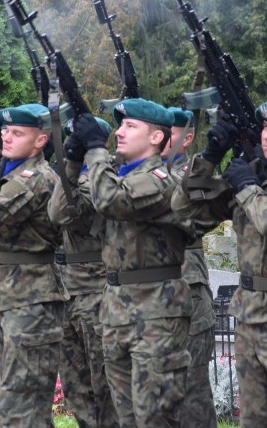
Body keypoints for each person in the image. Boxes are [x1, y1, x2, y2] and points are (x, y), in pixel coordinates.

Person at [69, 99, 193, 428]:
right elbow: (62, 214)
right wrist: (70, 160)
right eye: (119, 126)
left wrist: (95, 148)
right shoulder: (114, 174)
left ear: (156, 138)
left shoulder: (160, 178)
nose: (119, 133)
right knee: (123, 416)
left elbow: (111, 201)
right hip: (117, 307)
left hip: (156, 310)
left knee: (154, 417)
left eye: (130, 126)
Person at [172, 94, 267, 427]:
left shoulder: (254, 181)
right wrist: (211, 155)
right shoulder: (255, 171)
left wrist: (249, 187)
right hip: (250, 315)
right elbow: (185, 210)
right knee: (254, 418)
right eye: (265, 127)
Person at [0, 104, 65, 427]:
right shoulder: (7, 174)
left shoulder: (38, 178)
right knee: (3, 399)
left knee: (24, 403)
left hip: (30, 300)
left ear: (40, 140)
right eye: (5, 131)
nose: (6, 137)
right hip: (0, 295)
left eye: (17, 133)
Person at [48, 117, 119, 428]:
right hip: (65, 291)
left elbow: (70, 213)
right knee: (76, 387)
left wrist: (73, 167)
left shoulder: (105, 178)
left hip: (95, 292)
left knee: (105, 386)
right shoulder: (65, 176)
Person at [162, 107, 216, 428]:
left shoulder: (195, 176)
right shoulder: (142, 173)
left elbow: (189, 217)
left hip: (190, 294)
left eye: (168, 131)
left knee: (193, 393)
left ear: (187, 138)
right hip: (156, 298)